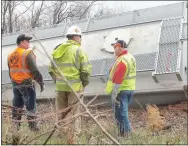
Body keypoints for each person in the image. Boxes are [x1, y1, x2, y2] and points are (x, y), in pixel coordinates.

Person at [48, 26, 92, 142]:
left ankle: (60, 134)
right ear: (75, 37)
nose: (81, 39)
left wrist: (57, 81)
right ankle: (73, 136)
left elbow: (50, 69)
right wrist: (84, 83)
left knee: (61, 112)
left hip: (60, 87)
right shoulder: (79, 50)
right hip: (75, 88)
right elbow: (86, 71)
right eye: (80, 37)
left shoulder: (57, 50)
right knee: (74, 112)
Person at [8, 34, 44, 132]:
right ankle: (33, 128)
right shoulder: (27, 53)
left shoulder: (10, 55)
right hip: (27, 84)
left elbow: (10, 71)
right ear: (21, 42)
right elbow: (35, 70)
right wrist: (40, 82)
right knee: (31, 106)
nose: (29, 43)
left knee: (16, 107)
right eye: (27, 41)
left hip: (15, 84)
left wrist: (14, 81)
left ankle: (15, 128)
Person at [105, 40, 136, 136]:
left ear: (121, 47)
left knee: (121, 114)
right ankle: (125, 132)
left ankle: (125, 134)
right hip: (129, 88)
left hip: (121, 90)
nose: (114, 50)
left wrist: (114, 93)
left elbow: (118, 78)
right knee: (122, 112)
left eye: (116, 47)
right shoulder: (129, 57)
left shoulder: (123, 60)